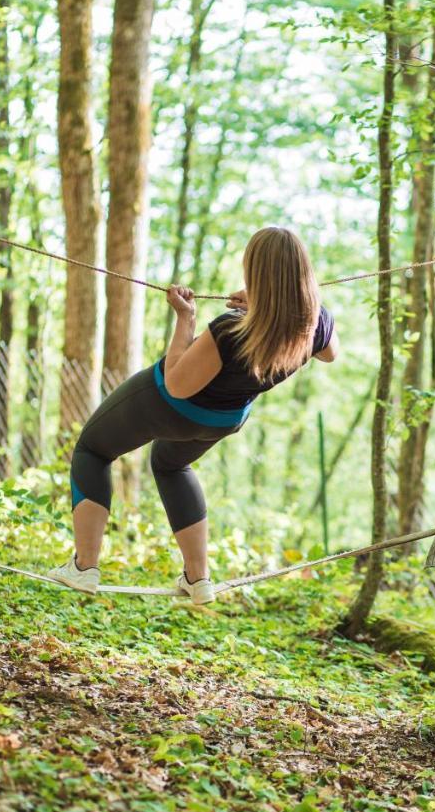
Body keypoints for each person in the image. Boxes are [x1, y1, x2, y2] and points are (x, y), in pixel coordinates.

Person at [48, 227, 339, 605]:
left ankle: (84, 567)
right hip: (225, 419)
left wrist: (185, 318)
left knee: (92, 450)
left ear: (254, 272)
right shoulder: (314, 325)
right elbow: (330, 353)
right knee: (170, 465)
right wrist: (264, 305)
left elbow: (176, 385)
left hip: (172, 405)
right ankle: (197, 579)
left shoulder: (229, 329)